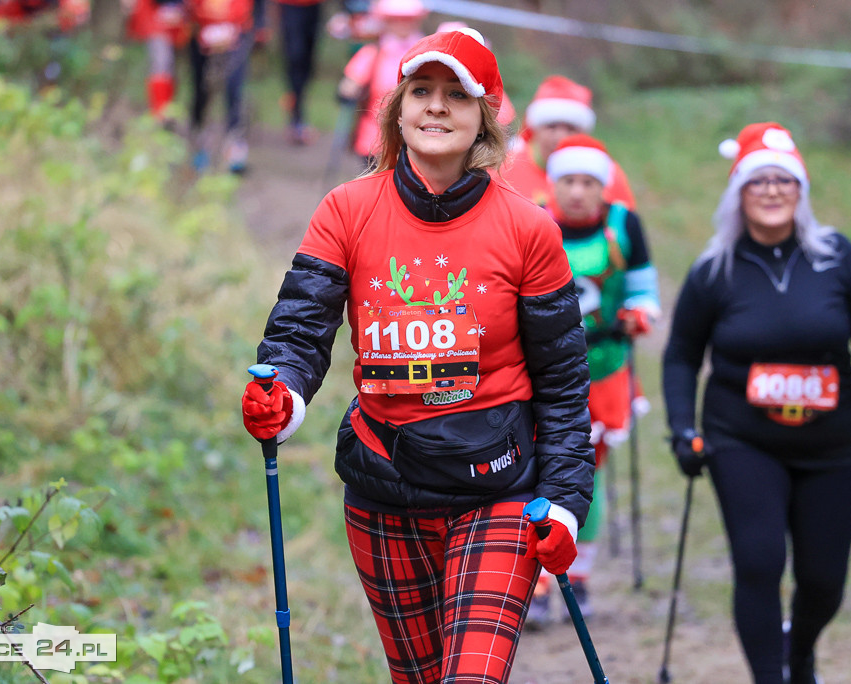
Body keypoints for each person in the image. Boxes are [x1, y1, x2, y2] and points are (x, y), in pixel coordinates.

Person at [241, 28, 594, 683]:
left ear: (484, 115)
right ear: (397, 109)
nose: (436, 107)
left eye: (456, 95)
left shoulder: (528, 229)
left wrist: (567, 500)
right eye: (422, 91)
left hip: (497, 494)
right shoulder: (346, 211)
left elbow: (566, 384)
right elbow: (299, 334)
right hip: (384, 494)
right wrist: (282, 394)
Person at [661, 122, 851, 684]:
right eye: (758, 181)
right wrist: (680, 428)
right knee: (759, 561)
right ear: (738, 194)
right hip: (742, 439)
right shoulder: (713, 270)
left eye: (784, 181)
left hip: (833, 443)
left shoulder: (837, 256)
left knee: (823, 581)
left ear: (801, 191)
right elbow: (680, 357)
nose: (771, 191)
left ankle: (802, 651)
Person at [526, 134, 660, 626]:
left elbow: (644, 284)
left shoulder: (624, 226)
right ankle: (538, 581)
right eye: (567, 181)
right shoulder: (533, 220)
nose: (577, 192)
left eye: (588, 182)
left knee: (586, 473)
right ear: (552, 182)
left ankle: (578, 577)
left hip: (602, 368)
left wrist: (639, 314)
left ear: (603, 186)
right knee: (538, 470)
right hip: (541, 372)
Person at [503, 75, 635, 210]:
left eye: (570, 128)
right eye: (552, 126)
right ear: (535, 129)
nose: (560, 137)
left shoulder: (606, 173)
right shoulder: (505, 168)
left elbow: (625, 223)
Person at [336, 0, 428, 168]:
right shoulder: (373, 53)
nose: (402, 24)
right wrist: (348, 90)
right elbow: (347, 86)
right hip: (373, 139)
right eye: (395, 19)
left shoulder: (426, 55)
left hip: (415, 142)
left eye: (408, 19)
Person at [185, 0, 264, 173]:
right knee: (202, 91)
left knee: (234, 90)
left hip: (238, 32)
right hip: (201, 32)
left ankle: (235, 150)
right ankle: (200, 147)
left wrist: (260, 24)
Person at [126, 0, 190, 122]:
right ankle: (159, 111)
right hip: (155, 20)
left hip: (176, 22)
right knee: (161, 64)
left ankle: (168, 109)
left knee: (170, 68)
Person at [275, 0, 326, 145]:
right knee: (295, 56)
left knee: (307, 64)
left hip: (313, 5)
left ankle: (298, 111)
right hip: (290, 5)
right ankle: (296, 117)